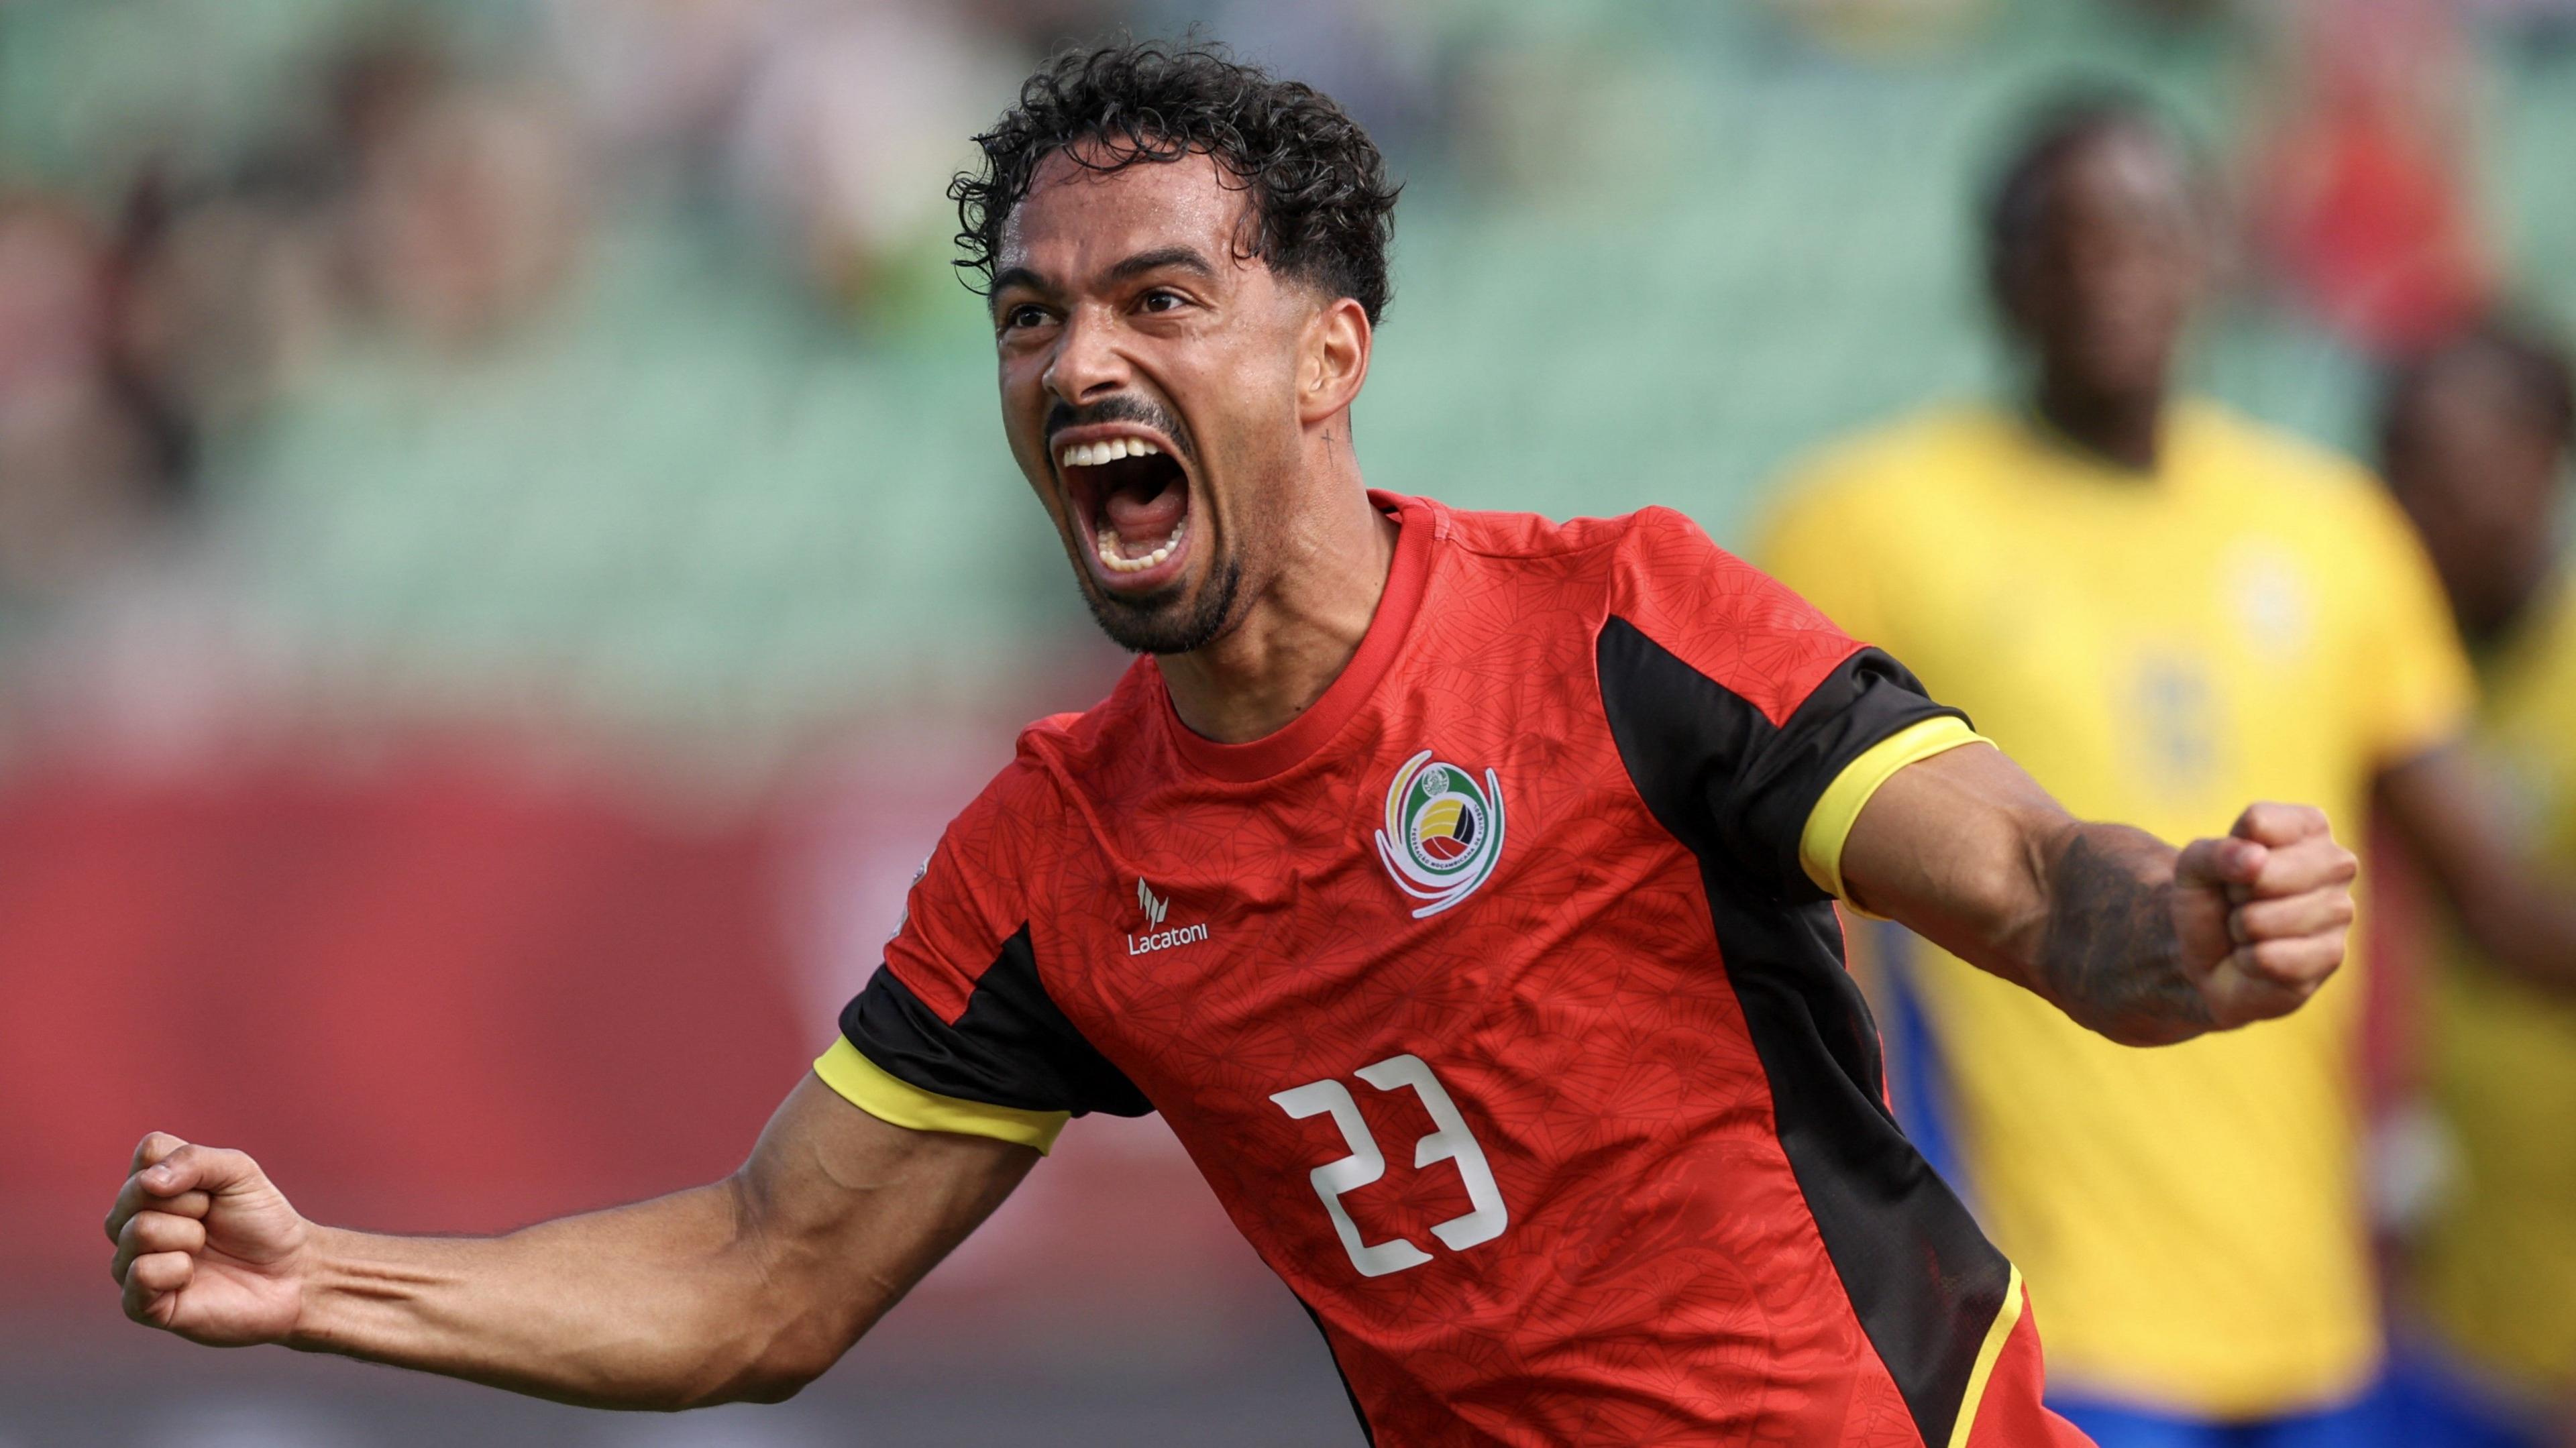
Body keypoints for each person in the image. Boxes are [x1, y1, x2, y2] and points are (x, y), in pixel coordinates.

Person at [103, 47, 2364, 1447]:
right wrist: (327, 1285)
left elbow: (2029, 884)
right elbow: (761, 1281)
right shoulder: (1055, 862)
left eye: (1157, 300)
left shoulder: (1622, 628)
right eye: (1031, 316)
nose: (1076, 362)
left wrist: (2179, 923)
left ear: (1327, 355)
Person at [1760, 96, 2576, 1447]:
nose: (2107, 270)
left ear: (2213, 253)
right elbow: (1793, 917)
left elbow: (2491, 901)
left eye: (2144, 229)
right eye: (2063, 238)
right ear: (2000, 276)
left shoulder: (2334, 531)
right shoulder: (1865, 523)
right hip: (2035, 1319)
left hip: (2313, 1328)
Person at [2379, 317, 2576, 1448]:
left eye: (2451, 474)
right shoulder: (2390, 680)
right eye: (2399, 471)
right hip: (2443, 1306)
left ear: (2546, 456)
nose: (2418, 513)